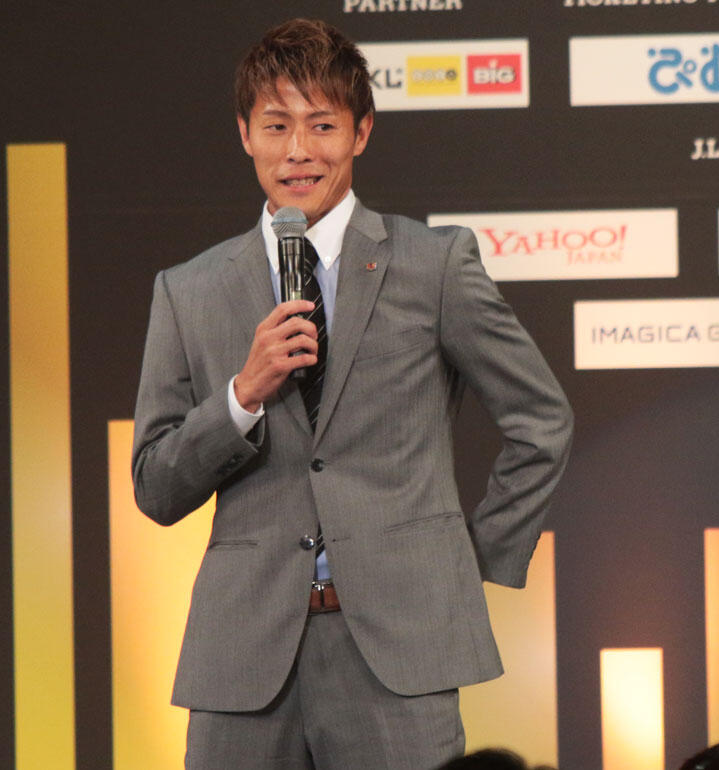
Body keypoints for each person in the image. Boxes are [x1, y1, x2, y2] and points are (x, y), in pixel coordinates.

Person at [131, 18, 572, 770]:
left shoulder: (433, 264)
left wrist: (465, 561)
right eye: (277, 125)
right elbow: (156, 485)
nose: (298, 150)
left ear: (361, 131)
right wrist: (242, 394)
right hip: (243, 659)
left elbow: (542, 421)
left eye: (322, 125)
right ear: (245, 134)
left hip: (399, 653)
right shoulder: (189, 290)